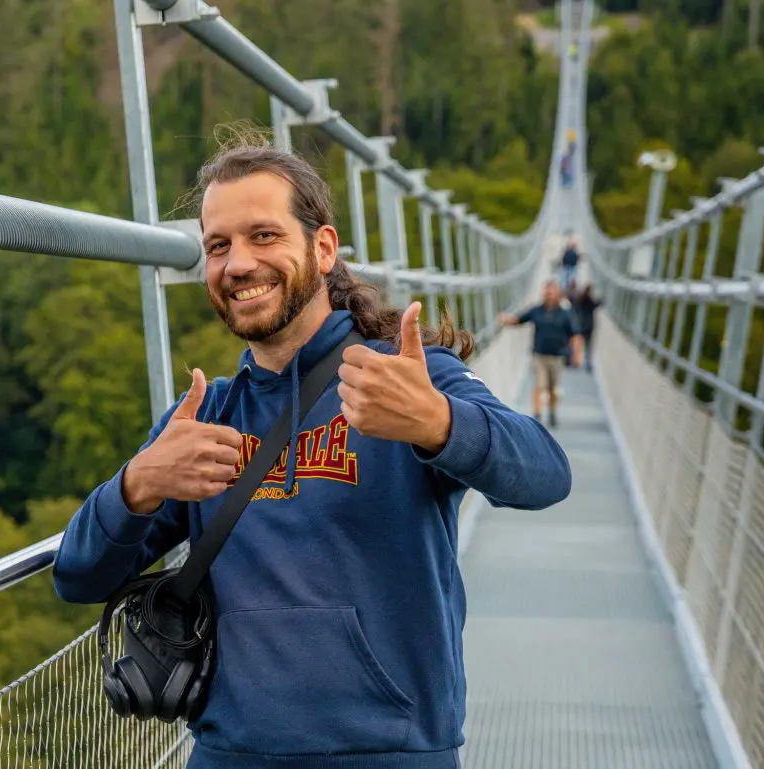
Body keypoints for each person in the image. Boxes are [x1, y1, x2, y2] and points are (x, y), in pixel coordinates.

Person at [52, 136, 573, 769]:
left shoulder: (400, 382)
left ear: (323, 249)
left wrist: (439, 422)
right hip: (230, 756)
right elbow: (78, 576)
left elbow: (546, 475)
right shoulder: (207, 414)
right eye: (217, 246)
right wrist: (137, 484)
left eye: (263, 236)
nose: (237, 264)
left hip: (392, 754)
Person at [499, 281, 583, 428]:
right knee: (539, 385)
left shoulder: (565, 314)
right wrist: (505, 320)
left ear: (557, 294)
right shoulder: (537, 310)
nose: (548, 295)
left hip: (557, 356)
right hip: (539, 355)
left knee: (553, 388)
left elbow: (575, 335)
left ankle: (552, 412)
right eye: (546, 292)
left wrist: (577, 354)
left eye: (551, 292)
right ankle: (537, 415)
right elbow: (519, 320)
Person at [571, 283, 602, 372]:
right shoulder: (590, 301)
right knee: (588, 346)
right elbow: (598, 304)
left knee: (577, 345)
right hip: (589, 326)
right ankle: (588, 364)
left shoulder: (579, 300)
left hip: (580, 326)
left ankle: (574, 361)